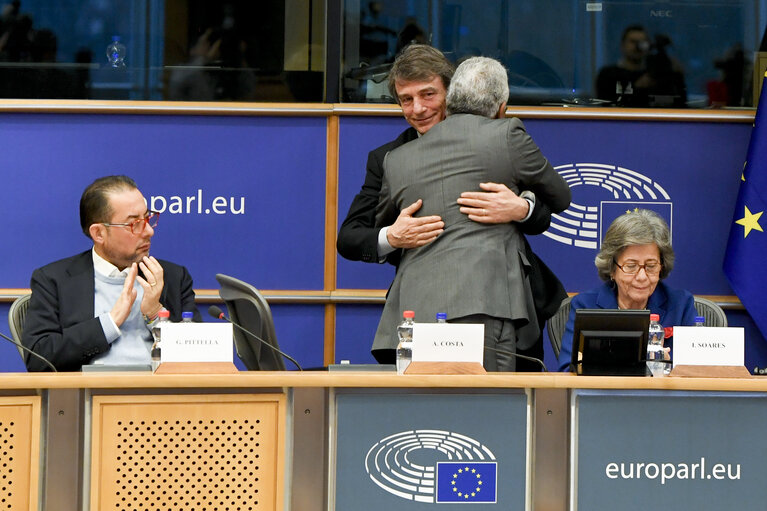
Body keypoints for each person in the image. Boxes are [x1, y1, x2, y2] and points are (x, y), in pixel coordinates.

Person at [337, 44, 566, 368]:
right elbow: (349, 237)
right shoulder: (389, 157)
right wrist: (392, 236)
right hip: (422, 305)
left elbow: (546, 209)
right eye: (406, 99)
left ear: (452, 92)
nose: (417, 109)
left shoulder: (498, 138)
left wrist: (521, 208)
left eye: (428, 94)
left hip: (504, 300)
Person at [22, 175, 201, 371]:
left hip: (161, 396)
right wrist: (110, 322)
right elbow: (38, 358)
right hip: (89, 397)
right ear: (99, 233)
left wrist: (155, 314)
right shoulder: (54, 280)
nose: (149, 231)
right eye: (134, 224)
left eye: (148, 218)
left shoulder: (173, 277)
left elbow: (202, 359)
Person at [557, 209, 697, 372]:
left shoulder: (680, 305)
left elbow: (696, 370)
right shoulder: (585, 306)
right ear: (612, 269)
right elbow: (568, 369)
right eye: (631, 266)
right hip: (603, 396)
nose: (642, 276)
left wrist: (668, 368)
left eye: (651, 266)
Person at [596, 25, 686, 108]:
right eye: (633, 42)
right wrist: (637, 88)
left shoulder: (656, 73)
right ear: (622, 45)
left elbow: (679, 103)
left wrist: (677, 75)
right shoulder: (608, 74)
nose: (637, 46)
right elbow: (608, 106)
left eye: (642, 42)